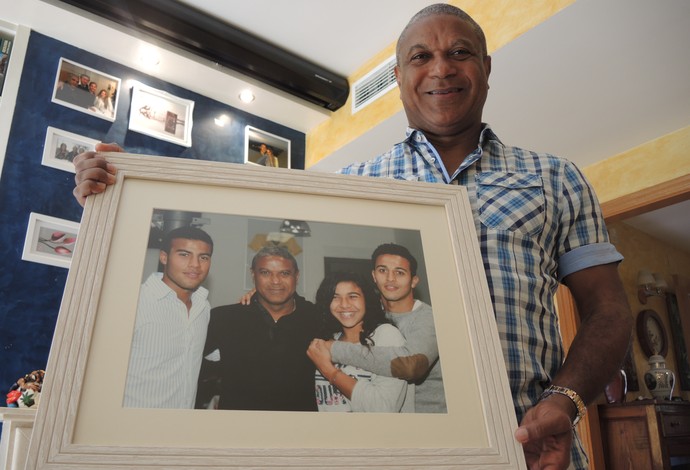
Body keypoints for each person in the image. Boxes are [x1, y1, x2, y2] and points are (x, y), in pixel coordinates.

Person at [71, 4, 633, 468]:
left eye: (459, 52)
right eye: (421, 56)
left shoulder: (555, 179)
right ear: (399, 76)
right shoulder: (354, 185)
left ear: (486, 66)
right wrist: (120, 193)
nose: (441, 68)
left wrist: (565, 400)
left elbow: (607, 312)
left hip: (533, 454)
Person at [326, 243, 445, 413]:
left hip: (429, 422)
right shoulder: (366, 316)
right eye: (382, 270)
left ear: (414, 281)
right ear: (374, 276)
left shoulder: (430, 318)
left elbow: (410, 366)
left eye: (399, 272)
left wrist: (333, 350)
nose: (390, 278)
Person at [199, 245, 320, 411]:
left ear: (296, 277)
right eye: (265, 273)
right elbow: (191, 368)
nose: (275, 281)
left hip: (300, 429)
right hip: (238, 428)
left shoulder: (317, 319)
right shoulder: (224, 318)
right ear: (253, 275)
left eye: (284, 273)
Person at [125, 225, 213, 409]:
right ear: (164, 257)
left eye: (203, 257)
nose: (195, 265)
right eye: (184, 254)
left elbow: (222, 354)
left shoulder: (203, 306)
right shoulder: (133, 301)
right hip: (130, 429)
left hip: (180, 429)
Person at [307, 272, 413, 413]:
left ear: (366, 300)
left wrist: (329, 370)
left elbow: (384, 408)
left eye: (353, 296)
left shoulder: (386, 336)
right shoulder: (330, 340)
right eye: (335, 297)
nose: (344, 305)